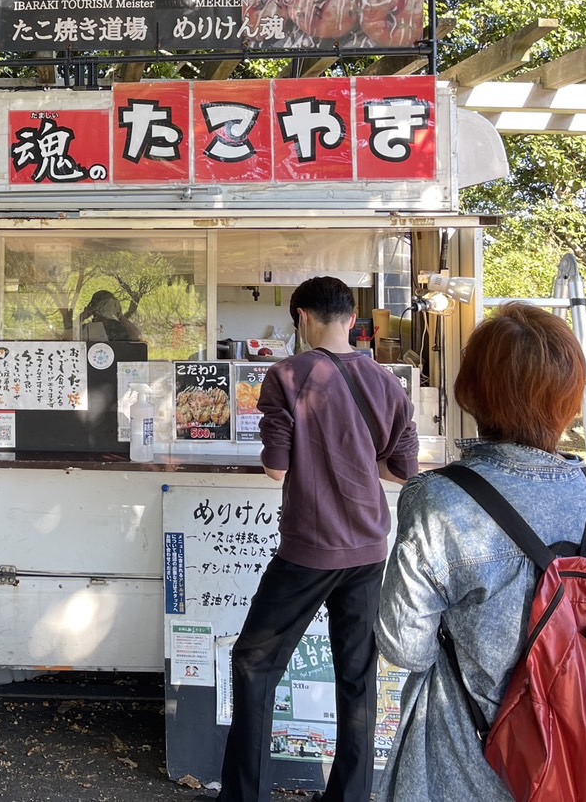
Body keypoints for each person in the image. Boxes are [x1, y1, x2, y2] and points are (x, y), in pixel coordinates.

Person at [374, 303, 586, 800]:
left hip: (461, 762)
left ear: (473, 390)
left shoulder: (436, 498)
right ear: (568, 397)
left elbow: (403, 647)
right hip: (577, 754)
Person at [217, 276, 419, 802]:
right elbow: (403, 468)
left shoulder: (286, 375)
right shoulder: (387, 382)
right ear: (352, 320)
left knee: (254, 663)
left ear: (302, 317)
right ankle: (350, 795)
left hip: (309, 548)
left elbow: (276, 469)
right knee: (357, 675)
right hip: (371, 546)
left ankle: (244, 796)